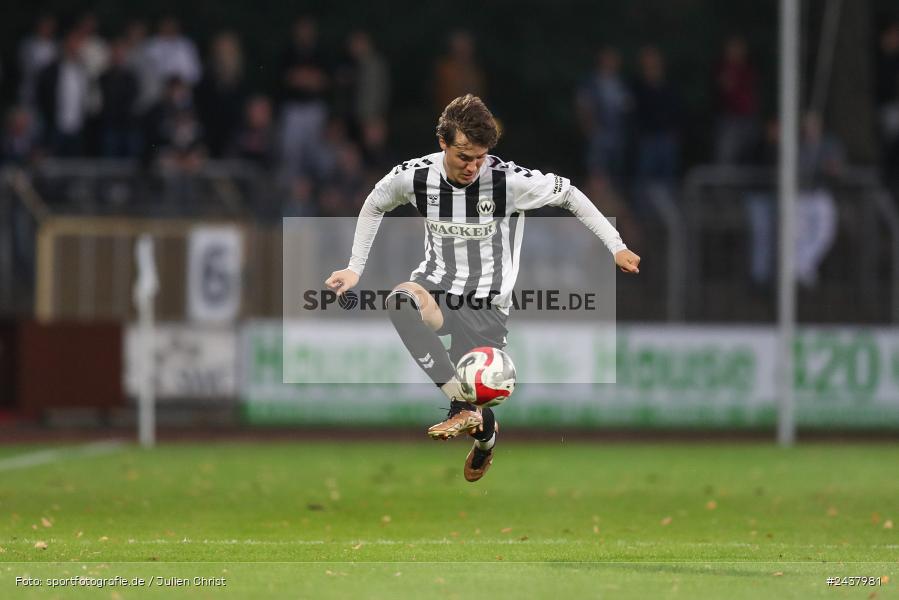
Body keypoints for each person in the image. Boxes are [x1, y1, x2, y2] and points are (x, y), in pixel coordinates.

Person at [325, 95, 640, 482]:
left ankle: (485, 435)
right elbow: (375, 203)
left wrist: (617, 245)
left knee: (478, 398)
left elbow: (570, 194)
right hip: (436, 287)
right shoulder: (415, 176)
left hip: (487, 305)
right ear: (443, 143)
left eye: (479, 157)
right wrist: (355, 268)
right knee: (400, 302)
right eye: (463, 156)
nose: (472, 167)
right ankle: (461, 407)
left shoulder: (508, 181)